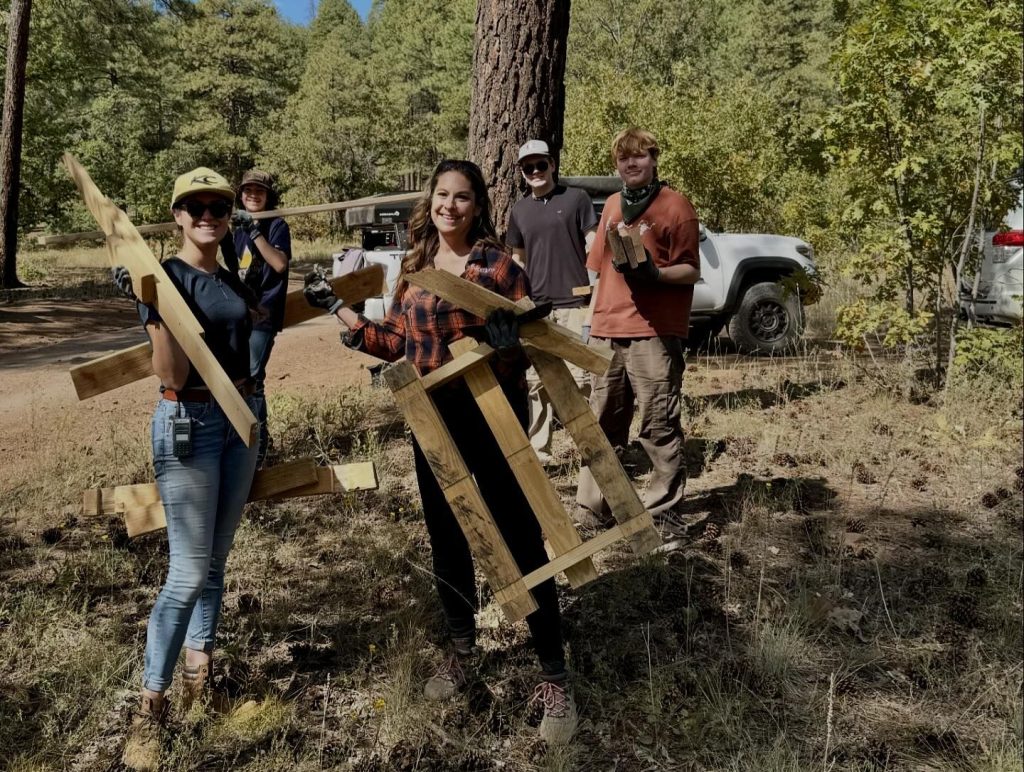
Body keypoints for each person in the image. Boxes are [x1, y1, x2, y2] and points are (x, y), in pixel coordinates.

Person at [303, 159, 578, 744]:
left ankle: (553, 675)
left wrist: (507, 345)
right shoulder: (416, 267)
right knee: (448, 533)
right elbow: (397, 342)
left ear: (477, 206)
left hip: (493, 414)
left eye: (462, 197)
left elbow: (529, 344)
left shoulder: (497, 267)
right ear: (430, 201)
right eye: (442, 195)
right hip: (431, 419)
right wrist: (337, 309)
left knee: (519, 533)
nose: (449, 206)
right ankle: (461, 652)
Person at [115, 168, 261, 771]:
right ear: (177, 215)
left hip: (241, 422)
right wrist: (153, 311)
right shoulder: (164, 279)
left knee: (216, 563)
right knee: (188, 572)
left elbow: (249, 347)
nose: (207, 215)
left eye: (218, 207)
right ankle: (151, 709)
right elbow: (173, 375)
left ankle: (201, 682)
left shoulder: (228, 277)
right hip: (189, 424)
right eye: (195, 206)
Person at [575, 128, 701, 535]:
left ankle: (663, 512)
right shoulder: (613, 205)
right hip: (608, 328)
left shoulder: (676, 205)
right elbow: (598, 271)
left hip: (654, 332)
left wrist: (656, 274)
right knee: (602, 423)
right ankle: (594, 509)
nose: (631, 163)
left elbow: (691, 269)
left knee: (658, 424)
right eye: (623, 158)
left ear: (654, 159)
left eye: (639, 156)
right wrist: (590, 323)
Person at [506, 139, 598, 464]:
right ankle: (540, 454)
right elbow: (517, 259)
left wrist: (596, 290)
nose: (535, 171)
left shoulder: (576, 199)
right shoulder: (519, 211)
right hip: (536, 309)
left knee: (581, 379)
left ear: (552, 165)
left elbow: (594, 245)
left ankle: (591, 450)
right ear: (522, 172)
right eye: (528, 167)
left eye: (540, 164)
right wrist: (519, 301)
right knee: (536, 383)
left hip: (575, 303)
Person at [231, 169, 292, 466]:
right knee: (239, 379)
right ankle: (246, 445)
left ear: (269, 196)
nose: (253, 195)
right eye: (248, 191)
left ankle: (259, 451)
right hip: (239, 314)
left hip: (264, 314)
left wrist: (255, 232)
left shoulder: (276, 225)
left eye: (259, 191)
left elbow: (279, 264)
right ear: (241, 195)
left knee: (253, 379)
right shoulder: (237, 228)